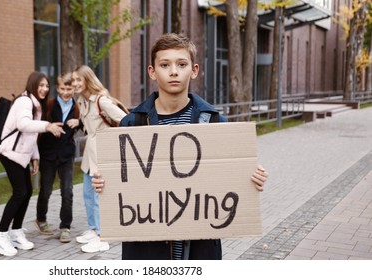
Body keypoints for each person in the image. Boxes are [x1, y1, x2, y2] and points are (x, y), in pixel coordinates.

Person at [91, 33, 269, 260]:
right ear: (152, 71)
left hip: (199, 250)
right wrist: (104, 183)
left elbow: (227, 179)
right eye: (165, 65)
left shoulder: (214, 123)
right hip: (147, 251)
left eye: (181, 64)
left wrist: (250, 177)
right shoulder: (132, 124)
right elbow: (122, 183)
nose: (173, 71)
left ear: (194, 70)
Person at [0, 71, 65, 257]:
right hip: (10, 153)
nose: (45, 89)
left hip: (22, 154)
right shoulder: (24, 101)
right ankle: (0, 235)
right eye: (41, 85)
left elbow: (30, 136)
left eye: (47, 86)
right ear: (32, 84)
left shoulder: (35, 105)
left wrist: (34, 157)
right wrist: (47, 126)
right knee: (20, 192)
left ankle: (15, 232)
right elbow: (23, 125)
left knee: (27, 192)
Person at [72, 65, 127, 253]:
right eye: (73, 81)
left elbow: (125, 119)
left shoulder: (101, 101)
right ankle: (93, 229)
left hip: (104, 153)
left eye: (78, 80)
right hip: (90, 154)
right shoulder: (82, 101)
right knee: (88, 193)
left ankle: (102, 237)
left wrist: (113, 141)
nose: (75, 84)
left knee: (98, 196)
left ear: (88, 80)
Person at [34, 72, 81, 243]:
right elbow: (38, 125)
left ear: (73, 89)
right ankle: (41, 218)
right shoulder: (49, 105)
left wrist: (80, 122)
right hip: (48, 154)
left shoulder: (77, 107)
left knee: (67, 191)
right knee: (46, 189)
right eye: (63, 88)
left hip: (66, 155)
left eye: (69, 89)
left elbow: (87, 123)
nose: (66, 92)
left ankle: (65, 227)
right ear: (57, 88)